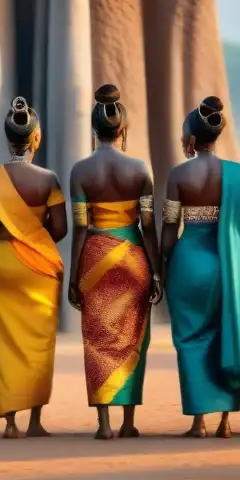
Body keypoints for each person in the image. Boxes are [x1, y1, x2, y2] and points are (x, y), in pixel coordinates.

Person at [162, 96, 240, 439]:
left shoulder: (179, 174)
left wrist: (164, 267)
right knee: (228, 331)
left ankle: (199, 422)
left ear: (191, 140)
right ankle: (225, 420)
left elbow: (168, 229)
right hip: (230, 264)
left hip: (190, 260)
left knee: (191, 338)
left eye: (182, 136)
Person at [69, 84, 162, 440]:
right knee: (133, 337)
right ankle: (128, 423)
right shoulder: (140, 168)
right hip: (134, 253)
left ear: (95, 131)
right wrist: (156, 272)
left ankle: (104, 424)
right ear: (122, 130)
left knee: (97, 339)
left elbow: (79, 229)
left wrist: (75, 276)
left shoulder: (80, 170)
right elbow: (149, 226)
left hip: (95, 255)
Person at [0, 97, 68, 438]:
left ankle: (10, 422)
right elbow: (60, 229)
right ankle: (33, 422)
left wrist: (1, 242)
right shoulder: (48, 179)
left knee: (1, 340)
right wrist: (33, 240)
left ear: (7, 138)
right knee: (38, 341)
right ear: (36, 138)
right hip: (38, 265)